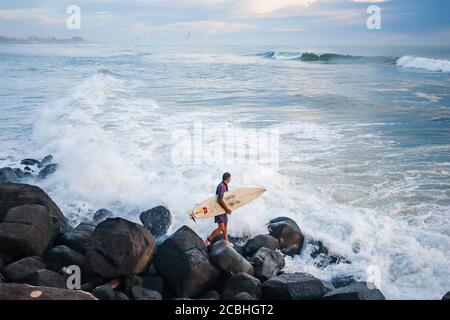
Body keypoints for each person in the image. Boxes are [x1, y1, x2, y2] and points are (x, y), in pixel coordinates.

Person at [205, 172, 233, 247]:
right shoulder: (222, 186)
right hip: (219, 209)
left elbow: (225, 198)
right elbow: (220, 200)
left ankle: (226, 241)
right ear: (228, 178)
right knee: (221, 228)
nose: (231, 179)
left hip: (223, 209)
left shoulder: (224, 186)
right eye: (230, 177)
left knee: (226, 224)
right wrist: (227, 209)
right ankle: (208, 240)